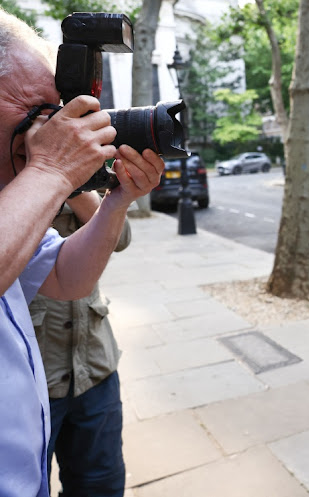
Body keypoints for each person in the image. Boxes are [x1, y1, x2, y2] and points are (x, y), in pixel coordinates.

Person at [0, 9, 164, 497]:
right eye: (35, 111)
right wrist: (52, 169)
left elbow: (69, 276)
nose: (50, 129)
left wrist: (118, 196)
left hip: (88, 368)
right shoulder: (38, 178)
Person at [29, 191, 130, 496]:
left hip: (94, 368)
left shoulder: (87, 164)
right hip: (30, 381)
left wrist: (77, 186)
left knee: (102, 486)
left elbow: (121, 237)